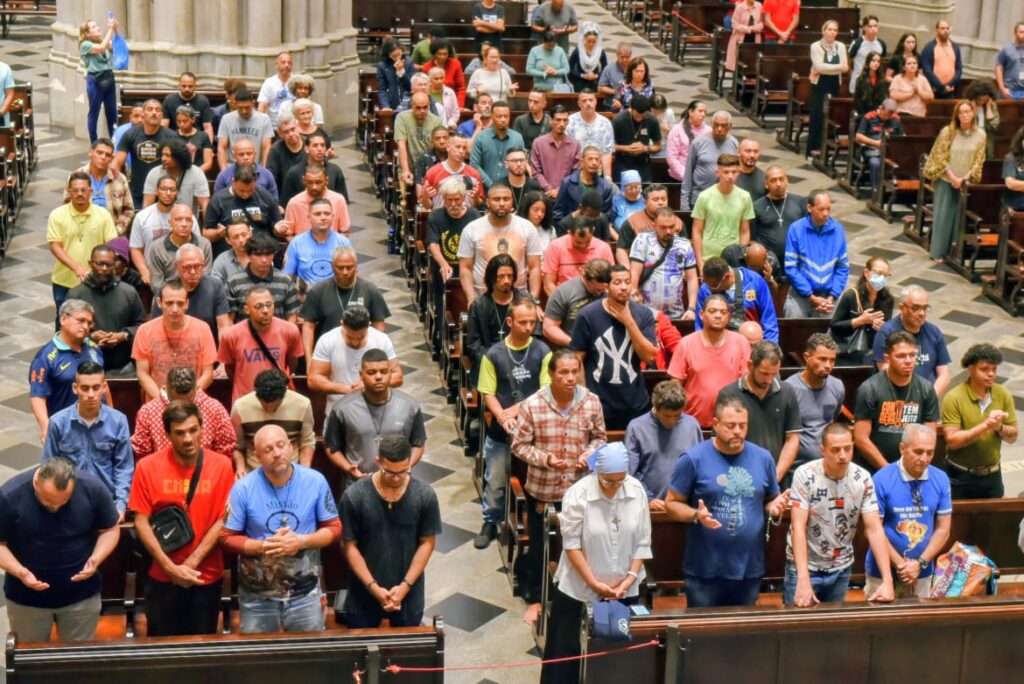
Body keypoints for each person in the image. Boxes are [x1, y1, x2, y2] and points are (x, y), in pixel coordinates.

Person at [541, 442, 651, 684]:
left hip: (624, 590)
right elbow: (571, 545)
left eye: (620, 480)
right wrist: (593, 583)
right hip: (579, 590)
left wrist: (630, 578)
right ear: (597, 473)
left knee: (614, 660)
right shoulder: (579, 494)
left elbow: (643, 542)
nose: (614, 487)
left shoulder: (636, 491)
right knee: (565, 656)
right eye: (608, 481)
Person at [665, 396, 789, 607]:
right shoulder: (693, 459)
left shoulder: (763, 458)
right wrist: (696, 515)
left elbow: (767, 501)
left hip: (749, 568)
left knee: (743, 636)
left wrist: (774, 508)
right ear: (715, 424)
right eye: (731, 426)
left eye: (743, 426)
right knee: (703, 635)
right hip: (705, 569)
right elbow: (671, 504)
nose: (738, 431)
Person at [511, 349, 605, 619]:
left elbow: (599, 438)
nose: (570, 378)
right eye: (563, 372)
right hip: (544, 487)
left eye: (574, 371)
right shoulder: (533, 404)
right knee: (542, 544)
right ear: (551, 374)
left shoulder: (591, 402)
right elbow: (519, 446)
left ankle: (571, 595)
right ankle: (536, 596)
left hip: (579, 488)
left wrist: (589, 454)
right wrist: (546, 459)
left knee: (577, 544)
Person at [220, 424, 340, 633]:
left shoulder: (315, 481)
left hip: (305, 592)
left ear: (291, 447)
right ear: (257, 455)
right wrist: (264, 546)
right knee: (259, 660)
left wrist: (302, 541)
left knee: (309, 657)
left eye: (281, 445)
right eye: (268, 449)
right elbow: (227, 537)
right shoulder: (243, 488)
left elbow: (335, 528)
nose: (277, 453)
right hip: (258, 595)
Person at [129, 401, 235, 636]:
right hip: (161, 576)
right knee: (162, 649)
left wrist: (190, 564)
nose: (188, 438)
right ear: (167, 434)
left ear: (202, 429)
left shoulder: (222, 466)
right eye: (179, 433)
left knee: (202, 648)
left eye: (193, 430)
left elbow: (224, 519)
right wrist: (170, 568)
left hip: (204, 576)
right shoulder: (147, 467)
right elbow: (141, 521)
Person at [0, 457, 119, 643]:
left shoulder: (92, 488)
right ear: (36, 482)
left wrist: (97, 557)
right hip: (26, 600)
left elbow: (110, 529)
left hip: (81, 597)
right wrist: (19, 571)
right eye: (49, 502)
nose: (55, 507)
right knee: (31, 663)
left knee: (77, 663)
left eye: (63, 503)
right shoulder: (10, 496)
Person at [785, 423, 894, 606]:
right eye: (835, 450)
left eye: (847, 448)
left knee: (834, 630)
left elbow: (875, 529)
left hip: (841, 567)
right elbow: (798, 527)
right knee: (796, 630)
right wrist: (803, 580)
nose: (843, 455)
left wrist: (887, 580)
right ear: (823, 450)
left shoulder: (863, 478)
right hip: (806, 567)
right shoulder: (805, 475)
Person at [339, 435, 441, 628]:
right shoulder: (354, 496)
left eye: (403, 472)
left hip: (408, 592)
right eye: (389, 472)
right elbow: (349, 546)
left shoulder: (425, 495)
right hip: (363, 591)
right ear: (378, 462)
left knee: (404, 654)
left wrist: (404, 586)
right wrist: (374, 588)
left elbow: (427, 542)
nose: (396, 478)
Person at [475, 299, 552, 548]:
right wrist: (502, 417)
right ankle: (490, 521)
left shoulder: (543, 351)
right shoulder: (494, 354)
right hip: (501, 432)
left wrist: (515, 411)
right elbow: (487, 393)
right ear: (510, 322)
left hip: (533, 430)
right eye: (523, 322)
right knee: (495, 478)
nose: (529, 327)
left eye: (533, 322)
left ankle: (528, 523)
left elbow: (544, 390)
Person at [866, 424, 952, 598]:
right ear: (902, 448)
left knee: (919, 624)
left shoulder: (941, 479)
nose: (925, 458)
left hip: (922, 571)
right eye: (918, 452)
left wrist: (919, 564)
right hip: (882, 572)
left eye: (930, 453)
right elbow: (875, 530)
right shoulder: (881, 479)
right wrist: (902, 567)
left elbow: (943, 529)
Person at [570, 265, 657, 430]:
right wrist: (585, 400)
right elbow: (577, 360)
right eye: (617, 282)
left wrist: (629, 322)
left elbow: (649, 356)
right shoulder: (587, 315)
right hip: (600, 404)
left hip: (636, 403)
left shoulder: (643, 314)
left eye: (627, 282)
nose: (624, 287)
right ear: (606, 286)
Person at [41, 361, 132, 516]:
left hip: (107, 503)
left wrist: (121, 505)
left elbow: (123, 467)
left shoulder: (118, 421)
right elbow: (48, 467)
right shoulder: (58, 423)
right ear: (75, 388)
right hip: (68, 505)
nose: (91, 394)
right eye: (85, 388)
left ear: (104, 387)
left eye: (96, 388)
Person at [324, 349, 426, 483]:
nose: (378, 377)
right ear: (361, 375)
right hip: (358, 482)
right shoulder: (342, 409)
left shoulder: (410, 406)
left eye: (384, 372)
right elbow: (331, 446)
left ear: (390, 373)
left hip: (398, 481)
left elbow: (418, 443)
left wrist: (405, 468)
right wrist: (348, 468)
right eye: (371, 372)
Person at [717, 341, 802, 484]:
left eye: (774, 374)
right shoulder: (728, 394)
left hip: (776, 478)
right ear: (750, 365)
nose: (769, 380)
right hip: (738, 478)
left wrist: (776, 476)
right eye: (764, 374)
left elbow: (792, 438)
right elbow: (720, 440)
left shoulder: (787, 392)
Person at [941, 344, 1018, 499]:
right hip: (960, 476)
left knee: (993, 521)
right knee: (958, 521)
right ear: (970, 368)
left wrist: (1000, 427)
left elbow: (1013, 436)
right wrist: (985, 426)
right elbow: (952, 441)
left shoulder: (1003, 394)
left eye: (994, 369)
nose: (991, 374)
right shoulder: (954, 397)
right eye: (984, 369)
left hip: (992, 476)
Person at [854, 331, 940, 468]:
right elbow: (861, 438)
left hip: (913, 468)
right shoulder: (869, 389)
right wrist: (889, 471)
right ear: (887, 358)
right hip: (877, 470)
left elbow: (930, 435)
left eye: (912, 355)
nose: (908, 361)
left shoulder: (926, 389)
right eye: (901, 356)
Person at [668, 294, 750, 428]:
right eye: (712, 311)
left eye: (723, 312)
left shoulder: (741, 343)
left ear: (729, 316)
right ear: (701, 314)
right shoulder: (686, 344)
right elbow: (675, 388)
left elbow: (747, 384)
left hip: (731, 425)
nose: (718, 315)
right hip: (693, 425)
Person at [29, 300, 105, 442]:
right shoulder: (45, 357)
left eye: (89, 323)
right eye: (81, 321)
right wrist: (46, 428)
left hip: (99, 426)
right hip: (66, 431)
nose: (86, 327)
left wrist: (111, 414)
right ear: (64, 319)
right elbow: (38, 396)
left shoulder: (93, 347)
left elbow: (103, 384)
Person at [922, 99, 987, 262]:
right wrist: (952, 177)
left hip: (965, 181)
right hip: (946, 178)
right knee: (943, 215)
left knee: (959, 216)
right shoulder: (948, 131)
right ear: (956, 115)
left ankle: (954, 252)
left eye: (967, 111)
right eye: (961, 112)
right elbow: (939, 155)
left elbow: (979, 160)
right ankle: (937, 252)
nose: (964, 115)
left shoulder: (981, 135)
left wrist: (964, 179)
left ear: (973, 113)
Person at [309, 304, 402, 416]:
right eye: (350, 337)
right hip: (339, 412)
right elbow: (314, 379)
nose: (355, 342)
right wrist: (346, 389)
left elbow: (398, 377)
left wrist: (368, 386)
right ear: (342, 324)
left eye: (360, 337)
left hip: (376, 413)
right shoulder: (327, 340)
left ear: (369, 325)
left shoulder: (381, 340)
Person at [458, 182, 543, 302]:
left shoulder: (527, 228)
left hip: (518, 299)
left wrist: (533, 299)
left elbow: (534, 267)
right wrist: (471, 299)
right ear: (487, 202)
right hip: (483, 297)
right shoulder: (471, 229)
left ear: (512, 202)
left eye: (506, 199)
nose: (502, 203)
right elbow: (465, 268)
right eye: (497, 199)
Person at [132, 280, 217, 400]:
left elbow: (208, 374)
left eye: (180, 303)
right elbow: (142, 373)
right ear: (159, 303)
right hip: (157, 403)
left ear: (187, 303)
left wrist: (187, 397)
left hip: (192, 402)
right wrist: (163, 399)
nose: (175, 309)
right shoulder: (145, 330)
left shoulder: (202, 329)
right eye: (169, 303)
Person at [625, 380, 703, 509]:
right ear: (656, 407)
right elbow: (630, 472)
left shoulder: (692, 425)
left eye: (677, 416)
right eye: (667, 416)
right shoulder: (637, 427)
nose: (672, 421)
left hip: (685, 507)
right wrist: (647, 497)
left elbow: (700, 467)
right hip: (651, 507)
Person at [130, 365, 236, 460]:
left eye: (187, 401)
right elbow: (142, 454)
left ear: (196, 388)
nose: (182, 407)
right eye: (176, 401)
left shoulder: (215, 409)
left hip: (205, 474)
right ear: (166, 389)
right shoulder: (148, 411)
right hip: (161, 474)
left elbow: (225, 452)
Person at [67, 245, 145, 374]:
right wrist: (90, 338)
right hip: (85, 366)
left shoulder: (129, 292)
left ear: (114, 265)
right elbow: (63, 331)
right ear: (90, 264)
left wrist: (123, 335)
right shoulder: (76, 295)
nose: (104, 269)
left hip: (123, 367)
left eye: (108, 264)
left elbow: (142, 326)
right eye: (100, 264)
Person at [49, 171, 119, 313]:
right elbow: (55, 246)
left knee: (95, 320)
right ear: (69, 192)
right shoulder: (57, 215)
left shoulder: (103, 214)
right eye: (75, 190)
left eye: (83, 190)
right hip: (64, 281)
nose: (80, 194)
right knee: (64, 321)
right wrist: (77, 268)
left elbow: (111, 244)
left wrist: (100, 269)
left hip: (97, 279)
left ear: (91, 191)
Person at [217, 287, 303, 403]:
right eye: (259, 306)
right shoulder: (231, 335)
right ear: (247, 310)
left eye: (269, 305)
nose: (266, 310)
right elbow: (230, 369)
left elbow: (292, 363)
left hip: (278, 399)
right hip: (245, 401)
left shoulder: (290, 330)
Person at [300, 247, 391, 355]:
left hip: (362, 353)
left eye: (349, 267)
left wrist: (378, 356)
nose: (345, 272)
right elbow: (308, 327)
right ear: (332, 267)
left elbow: (379, 327)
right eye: (340, 268)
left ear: (356, 266)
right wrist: (310, 362)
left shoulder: (370, 290)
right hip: (327, 354)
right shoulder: (318, 291)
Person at [231, 369, 316, 474]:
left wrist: (304, 471)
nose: (270, 410)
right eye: (264, 405)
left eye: (275, 406)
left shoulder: (302, 404)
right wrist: (240, 468)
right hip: (254, 472)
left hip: (291, 471)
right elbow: (237, 446)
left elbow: (307, 441)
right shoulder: (240, 407)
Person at [872, 285, 951, 392]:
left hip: (928, 397)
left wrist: (930, 399)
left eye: (925, 308)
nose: (922, 313)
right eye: (916, 308)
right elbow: (885, 372)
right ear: (902, 308)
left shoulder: (934, 333)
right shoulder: (886, 333)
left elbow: (944, 374)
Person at [784, 190, 849, 318]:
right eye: (821, 209)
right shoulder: (796, 229)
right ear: (809, 208)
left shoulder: (838, 230)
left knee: (827, 337)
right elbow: (791, 267)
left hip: (828, 298)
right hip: (800, 296)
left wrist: (831, 297)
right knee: (794, 334)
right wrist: (810, 296)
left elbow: (842, 267)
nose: (825, 214)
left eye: (828, 209)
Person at [785, 334, 845, 473]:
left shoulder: (837, 386)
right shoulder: (789, 388)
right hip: (795, 470)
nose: (828, 365)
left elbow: (833, 421)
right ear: (807, 357)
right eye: (822, 359)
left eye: (832, 360)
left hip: (828, 467)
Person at [204, 163, 287, 258]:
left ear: (255, 182)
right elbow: (206, 233)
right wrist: (218, 234)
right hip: (231, 257)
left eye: (250, 190)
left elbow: (277, 225)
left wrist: (278, 230)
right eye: (241, 191)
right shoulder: (218, 200)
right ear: (233, 182)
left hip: (261, 254)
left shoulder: (264, 195)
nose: (246, 194)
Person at [628, 207, 698, 320]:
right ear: (654, 225)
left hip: (676, 313)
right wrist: (634, 292)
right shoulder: (642, 240)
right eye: (663, 227)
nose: (668, 231)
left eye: (671, 226)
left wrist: (691, 308)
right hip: (646, 313)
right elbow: (634, 272)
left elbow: (692, 278)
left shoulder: (684, 245)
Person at [465, 255, 524, 384]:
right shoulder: (479, 306)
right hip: (488, 362)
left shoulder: (524, 302)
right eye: (501, 277)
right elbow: (473, 345)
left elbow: (534, 337)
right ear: (492, 279)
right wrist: (494, 362)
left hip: (520, 363)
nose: (506, 280)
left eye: (510, 276)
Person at [691, 153, 753, 272]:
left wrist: (741, 258)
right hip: (709, 258)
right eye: (726, 172)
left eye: (734, 172)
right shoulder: (704, 196)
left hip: (733, 259)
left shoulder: (745, 197)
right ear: (717, 172)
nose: (730, 176)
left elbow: (744, 231)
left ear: (738, 172)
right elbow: (696, 231)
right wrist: (700, 262)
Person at [695, 256, 779, 343]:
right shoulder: (705, 290)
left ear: (726, 277)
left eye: (713, 286)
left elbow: (769, 321)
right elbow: (700, 326)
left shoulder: (755, 281)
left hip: (752, 345)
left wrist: (770, 349)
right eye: (705, 283)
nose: (709, 289)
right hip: (719, 346)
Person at [830, 255, 894, 366]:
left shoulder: (888, 300)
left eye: (885, 275)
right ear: (866, 273)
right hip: (849, 352)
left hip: (874, 352)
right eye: (878, 273)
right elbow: (835, 326)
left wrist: (883, 328)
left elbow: (888, 329)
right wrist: (861, 320)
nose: (882, 278)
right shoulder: (851, 296)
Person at [63, 138, 134, 235]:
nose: (103, 157)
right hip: (82, 234)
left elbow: (129, 209)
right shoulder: (75, 177)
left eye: (107, 155)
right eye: (99, 153)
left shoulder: (120, 179)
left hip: (113, 235)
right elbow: (66, 207)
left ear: (112, 159)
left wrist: (116, 231)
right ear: (90, 153)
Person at [147, 205, 214, 296]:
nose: (184, 224)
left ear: (192, 223)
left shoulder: (204, 245)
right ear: (170, 222)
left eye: (188, 220)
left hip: (197, 294)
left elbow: (205, 277)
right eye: (178, 219)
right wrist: (178, 297)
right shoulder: (157, 247)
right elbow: (156, 284)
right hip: (168, 297)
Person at [542, 258, 611, 347]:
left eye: (603, 289)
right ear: (585, 277)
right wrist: (575, 344)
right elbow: (549, 328)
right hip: (574, 348)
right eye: (597, 290)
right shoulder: (563, 292)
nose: (600, 293)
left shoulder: (611, 289)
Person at [680, 111, 739, 211]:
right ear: (712, 124)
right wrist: (684, 203)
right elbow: (688, 173)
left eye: (723, 125)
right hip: (699, 199)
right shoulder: (698, 143)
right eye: (716, 125)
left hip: (724, 201)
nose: (719, 129)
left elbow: (736, 173)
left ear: (730, 126)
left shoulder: (734, 144)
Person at [807, 20, 850, 158]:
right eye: (829, 29)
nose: (832, 32)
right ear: (823, 31)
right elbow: (819, 67)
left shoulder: (841, 46)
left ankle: (827, 150)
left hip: (834, 84)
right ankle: (812, 150)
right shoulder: (815, 46)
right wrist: (837, 68)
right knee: (818, 116)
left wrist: (830, 68)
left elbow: (845, 68)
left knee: (831, 116)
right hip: (820, 85)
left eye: (835, 30)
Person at [750, 166, 805, 269]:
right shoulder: (757, 206)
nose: (778, 184)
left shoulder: (799, 202)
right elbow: (752, 239)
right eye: (773, 180)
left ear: (787, 181)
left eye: (781, 179)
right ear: (766, 184)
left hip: (795, 260)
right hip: (769, 263)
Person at [544, 217, 615, 295]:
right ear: (570, 233)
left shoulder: (603, 248)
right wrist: (561, 302)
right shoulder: (556, 246)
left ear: (593, 231)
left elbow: (611, 281)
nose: (583, 246)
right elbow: (549, 284)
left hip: (596, 297)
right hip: (565, 297)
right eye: (578, 242)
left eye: (587, 242)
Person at [143, 140, 210, 220]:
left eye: (168, 155)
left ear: (179, 156)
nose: (163, 158)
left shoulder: (196, 173)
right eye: (162, 155)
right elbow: (147, 206)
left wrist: (208, 228)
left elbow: (205, 205)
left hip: (187, 223)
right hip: (160, 223)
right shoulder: (154, 173)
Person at [279, 131, 350, 207]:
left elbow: (343, 202)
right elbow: (285, 204)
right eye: (315, 145)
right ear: (306, 149)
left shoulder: (335, 171)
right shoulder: (294, 173)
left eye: (322, 145)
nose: (319, 149)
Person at [78, 16, 118, 142]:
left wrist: (116, 29)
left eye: (97, 25)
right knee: (94, 112)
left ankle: (114, 140)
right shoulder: (85, 44)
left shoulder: (102, 41)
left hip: (108, 78)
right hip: (96, 81)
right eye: (94, 27)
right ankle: (94, 142)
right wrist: (110, 30)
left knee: (112, 112)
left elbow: (115, 43)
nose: (98, 28)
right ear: (87, 33)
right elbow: (101, 48)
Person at [471, 101, 525, 190]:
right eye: (499, 116)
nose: (503, 119)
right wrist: (491, 185)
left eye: (506, 116)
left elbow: (522, 162)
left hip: (511, 190)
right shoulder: (481, 137)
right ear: (492, 117)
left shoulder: (517, 138)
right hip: (485, 190)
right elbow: (474, 164)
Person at [284, 164, 350, 236]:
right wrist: (298, 245)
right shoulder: (294, 203)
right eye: (310, 182)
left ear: (326, 181)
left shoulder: (338, 200)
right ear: (304, 181)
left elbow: (344, 231)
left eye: (318, 182)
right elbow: (288, 234)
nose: (314, 187)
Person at [854, 99, 904, 191]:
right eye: (884, 115)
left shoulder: (896, 118)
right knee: (875, 163)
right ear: (880, 108)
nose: (886, 118)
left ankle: (900, 191)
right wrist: (875, 143)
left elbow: (902, 136)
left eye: (889, 116)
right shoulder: (869, 117)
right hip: (872, 149)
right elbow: (858, 136)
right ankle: (876, 189)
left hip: (891, 152)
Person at [216, 88, 273, 169]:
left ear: (253, 103)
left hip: (256, 167)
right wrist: (224, 171)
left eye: (247, 107)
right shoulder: (226, 119)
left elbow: (266, 147)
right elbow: (221, 147)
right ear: (235, 104)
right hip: (233, 167)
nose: (244, 111)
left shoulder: (264, 119)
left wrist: (264, 171)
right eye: (240, 107)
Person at [395, 93, 443, 188]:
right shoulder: (402, 117)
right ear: (412, 105)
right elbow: (401, 145)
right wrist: (405, 170)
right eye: (418, 108)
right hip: (409, 166)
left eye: (425, 107)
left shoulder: (436, 121)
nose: (422, 111)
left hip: (429, 167)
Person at [530, 106, 578, 200]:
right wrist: (549, 189)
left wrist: (560, 190)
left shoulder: (575, 144)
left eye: (565, 120)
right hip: (544, 195)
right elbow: (536, 172)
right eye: (558, 120)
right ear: (550, 120)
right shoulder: (538, 143)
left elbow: (576, 173)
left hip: (567, 196)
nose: (562, 124)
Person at [611, 94, 662, 183]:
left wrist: (645, 148)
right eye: (637, 115)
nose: (640, 118)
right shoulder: (618, 120)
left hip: (643, 164)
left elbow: (658, 146)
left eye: (643, 115)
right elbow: (609, 146)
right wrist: (626, 148)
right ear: (631, 109)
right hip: (622, 162)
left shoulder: (652, 120)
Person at [212, 138, 280, 201]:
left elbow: (274, 201)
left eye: (249, 154)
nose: (245, 157)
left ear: (255, 155)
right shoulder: (223, 176)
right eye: (241, 155)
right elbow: (217, 202)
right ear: (234, 156)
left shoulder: (267, 175)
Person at [566, 91, 615, 178]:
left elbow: (607, 152)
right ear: (579, 103)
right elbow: (567, 152)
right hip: (575, 173)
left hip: (597, 173)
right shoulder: (570, 122)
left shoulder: (605, 123)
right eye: (584, 101)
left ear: (596, 101)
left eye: (591, 100)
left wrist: (608, 178)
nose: (588, 103)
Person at [161, 71, 215, 141]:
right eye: (184, 86)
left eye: (190, 86)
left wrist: (208, 147)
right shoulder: (169, 100)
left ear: (195, 86)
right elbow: (164, 126)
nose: (187, 89)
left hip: (197, 141)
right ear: (179, 86)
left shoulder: (203, 101)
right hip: (175, 140)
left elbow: (207, 127)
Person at [666, 100, 710, 182]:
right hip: (680, 177)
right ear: (690, 112)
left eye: (705, 112)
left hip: (702, 178)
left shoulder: (709, 131)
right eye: (700, 111)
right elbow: (672, 158)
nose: (703, 114)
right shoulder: (677, 130)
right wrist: (687, 176)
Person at [920, 20, 963, 100]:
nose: (946, 31)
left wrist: (949, 85)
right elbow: (927, 70)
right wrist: (941, 87)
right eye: (942, 28)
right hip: (934, 90)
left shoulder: (955, 47)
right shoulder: (929, 47)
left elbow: (959, 69)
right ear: (936, 30)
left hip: (950, 91)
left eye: (947, 28)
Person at [420, 40, 466, 108]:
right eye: (439, 54)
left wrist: (459, 106)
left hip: (451, 102)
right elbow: (423, 88)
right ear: (434, 53)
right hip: (431, 103)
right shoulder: (426, 67)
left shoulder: (455, 64)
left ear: (448, 53)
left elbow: (461, 88)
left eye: (445, 54)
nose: (442, 57)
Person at [266, 115, 307, 190]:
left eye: (293, 129)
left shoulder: (310, 144)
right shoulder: (275, 150)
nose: (291, 134)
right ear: (280, 134)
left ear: (298, 127)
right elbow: (271, 178)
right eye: (286, 132)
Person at [964, 79, 1001, 159]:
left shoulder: (991, 106)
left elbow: (993, 127)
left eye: (985, 100)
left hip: (987, 147)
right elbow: (967, 127)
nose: (981, 102)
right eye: (979, 100)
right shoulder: (966, 106)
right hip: (970, 145)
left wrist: (988, 108)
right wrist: (972, 110)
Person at [256, 51, 294, 128]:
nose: (286, 65)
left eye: (289, 63)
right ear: (276, 65)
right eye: (283, 62)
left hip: (293, 125)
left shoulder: (297, 81)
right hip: (274, 126)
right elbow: (262, 106)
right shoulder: (269, 82)